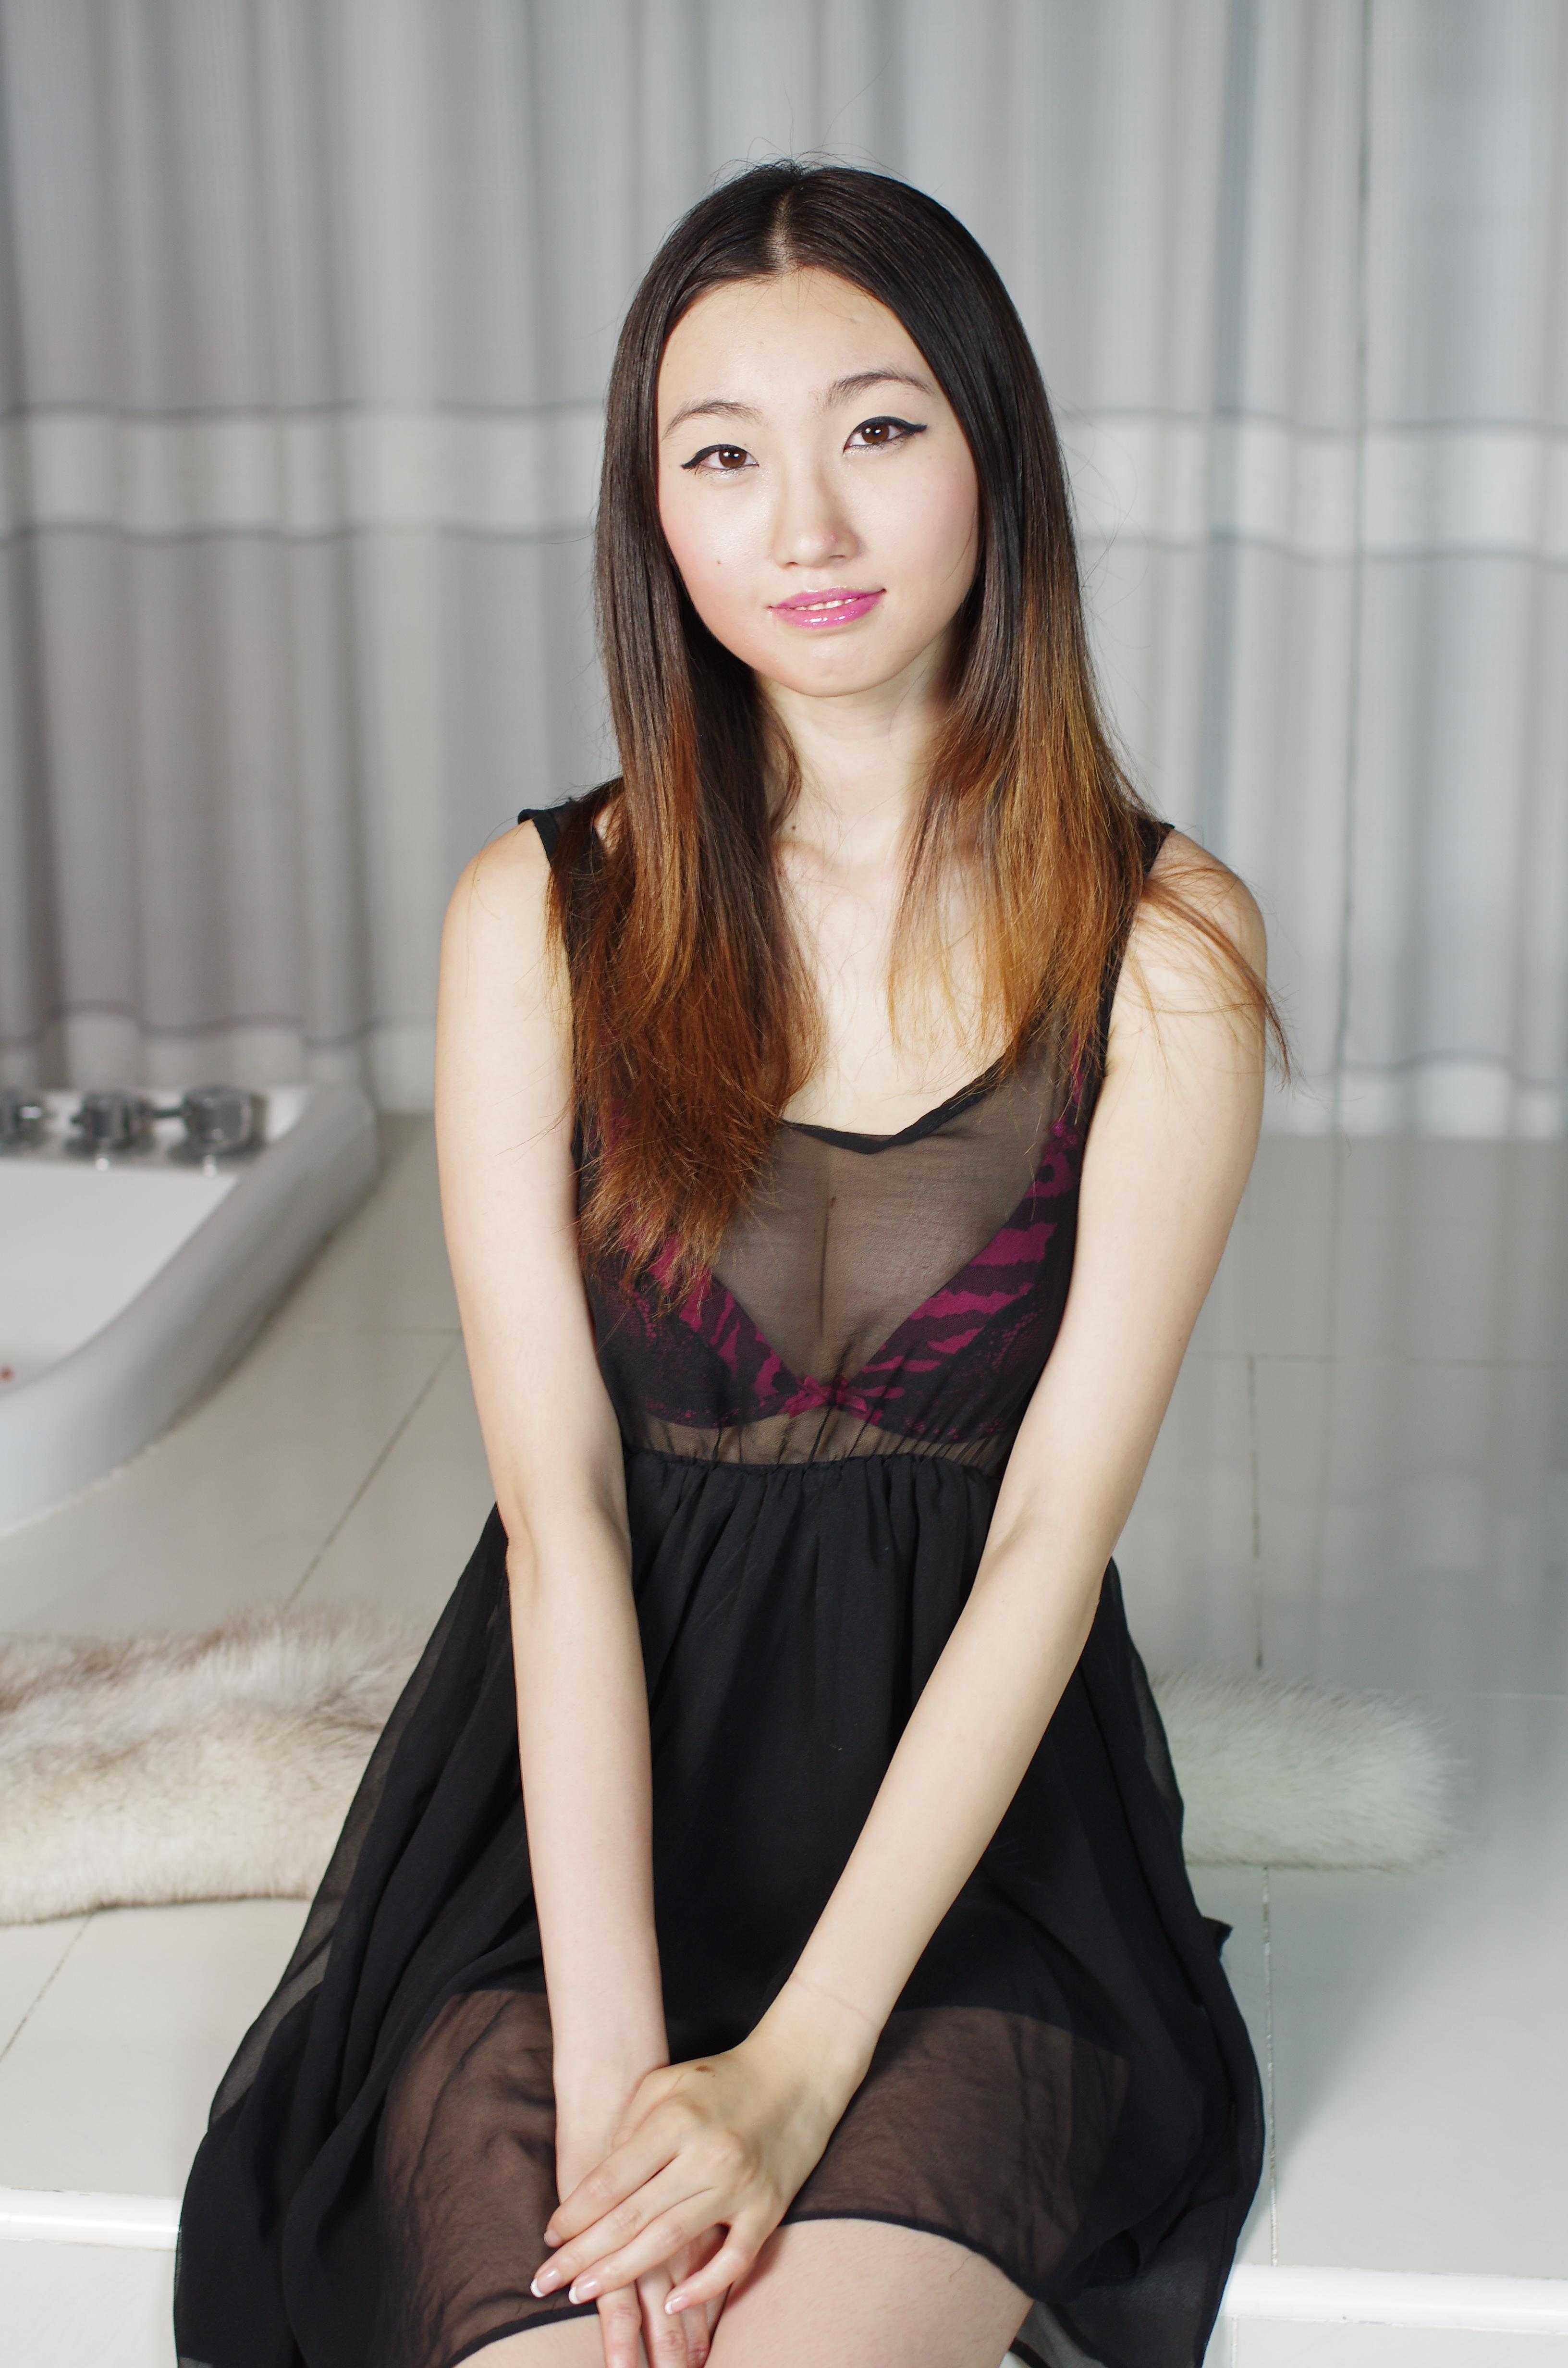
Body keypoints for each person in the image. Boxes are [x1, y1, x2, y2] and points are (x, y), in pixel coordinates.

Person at [175, 159, 1287, 2368]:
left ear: (994, 451)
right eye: (722, 455)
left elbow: (1050, 1535)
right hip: (571, 1853)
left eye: (878, 428)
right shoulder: (538, 919)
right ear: (654, 515)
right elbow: (563, 1511)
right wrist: (622, 2072)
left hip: (971, 1880)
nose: (809, 522)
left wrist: (791, 2070)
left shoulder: (1164, 946)